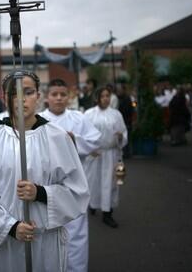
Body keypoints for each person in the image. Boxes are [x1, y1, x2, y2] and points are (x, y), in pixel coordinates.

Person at [0, 70, 90, 272]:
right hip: (8, 243)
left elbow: (78, 191)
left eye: (29, 92)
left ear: (38, 96)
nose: (21, 99)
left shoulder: (58, 138)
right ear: (5, 98)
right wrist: (11, 227)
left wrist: (41, 193)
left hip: (46, 240)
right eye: (14, 93)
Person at [39, 78, 102, 272]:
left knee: (75, 234)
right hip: (46, 187)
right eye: (54, 94)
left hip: (74, 186)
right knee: (47, 232)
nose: (59, 98)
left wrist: (75, 139)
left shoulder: (78, 118)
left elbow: (95, 141)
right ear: (46, 97)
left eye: (63, 94)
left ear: (69, 97)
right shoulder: (38, 120)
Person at [84, 86, 128, 228]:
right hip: (95, 155)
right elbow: (83, 134)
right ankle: (93, 204)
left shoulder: (116, 114)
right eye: (102, 96)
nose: (105, 99)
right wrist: (89, 149)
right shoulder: (89, 114)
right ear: (97, 98)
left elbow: (123, 131)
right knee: (94, 182)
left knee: (110, 184)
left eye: (107, 96)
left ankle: (107, 214)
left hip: (111, 154)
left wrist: (121, 136)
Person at [117, 85, 134, 158]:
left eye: (120, 90)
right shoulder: (121, 98)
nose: (119, 91)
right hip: (125, 120)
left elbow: (128, 110)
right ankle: (126, 152)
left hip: (126, 120)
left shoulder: (127, 99)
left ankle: (127, 153)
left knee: (126, 136)